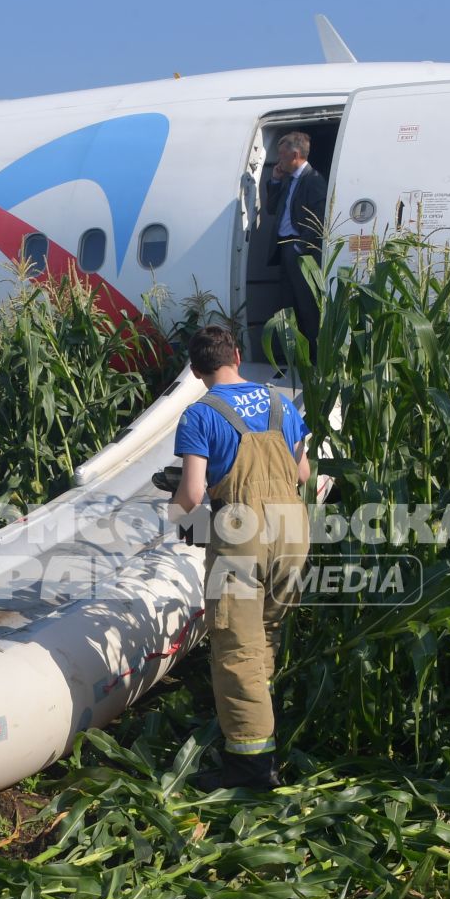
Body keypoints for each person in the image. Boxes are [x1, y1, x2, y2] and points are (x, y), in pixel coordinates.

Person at [170, 323, 312, 789]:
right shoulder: (279, 402)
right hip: (293, 531)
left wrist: (173, 517)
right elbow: (303, 471)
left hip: (242, 535)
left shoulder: (199, 414)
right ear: (235, 353)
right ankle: (263, 728)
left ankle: (252, 770)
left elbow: (192, 492)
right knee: (265, 634)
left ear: (196, 370)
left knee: (236, 646)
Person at [262, 131, 329, 343]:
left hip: (300, 250)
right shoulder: (287, 179)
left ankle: (313, 355)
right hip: (285, 248)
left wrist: (301, 247)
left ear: (295, 155)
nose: (279, 161)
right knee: (286, 305)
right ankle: (291, 355)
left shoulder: (313, 180)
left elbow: (319, 218)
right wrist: (274, 180)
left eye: (282, 156)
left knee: (306, 305)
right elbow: (272, 208)